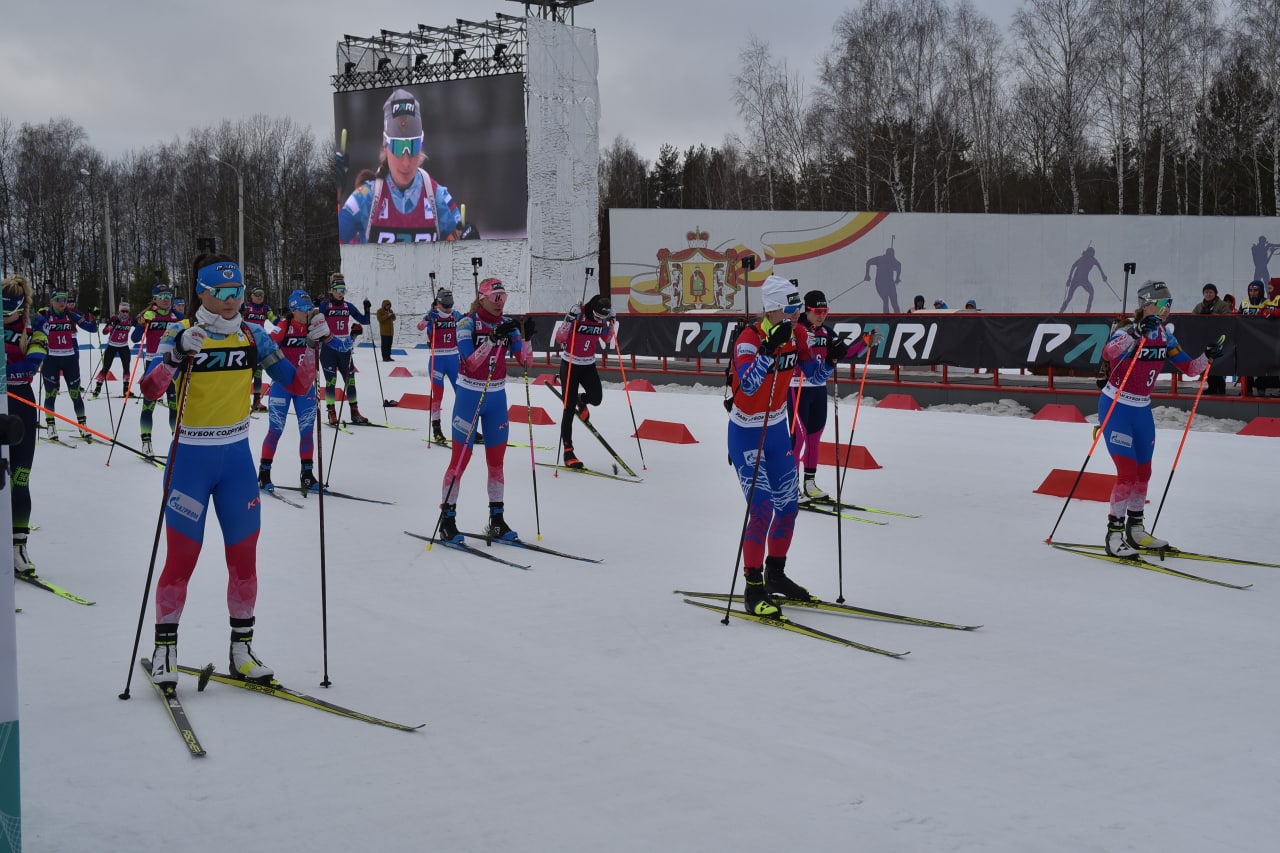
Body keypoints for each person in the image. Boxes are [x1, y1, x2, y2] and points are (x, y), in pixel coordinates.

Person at [144, 252, 329, 690]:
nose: (231, 300)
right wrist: (173, 356)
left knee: (244, 561)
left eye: (238, 291)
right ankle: (165, 649)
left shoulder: (252, 336)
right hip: (190, 458)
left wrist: (311, 347)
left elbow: (297, 384)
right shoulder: (181, 331)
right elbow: (149, 389)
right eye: (221, 292)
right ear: (201, 293)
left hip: (236, 461)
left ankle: (241, 650)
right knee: (182, 559)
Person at [726, 276, 834, 618]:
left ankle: (775, 574)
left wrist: (838, 357)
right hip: (746, 434)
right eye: (789, 309)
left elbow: (815, 376)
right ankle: (753, 587)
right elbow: (748, 383)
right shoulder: (748, 339)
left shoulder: (799, 334)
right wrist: (768, 350)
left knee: (788, 507)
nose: (795, 315)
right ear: (771, 309)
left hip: (776, 429)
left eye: (797, 309)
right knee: (761, 509)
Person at [1099, 281, 1224, 557]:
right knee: (1127, 473)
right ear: (1147, 305)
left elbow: (1190, 368)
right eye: (1163, 304)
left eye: (1170, 303)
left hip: (1142, 409)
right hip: (1116, 406)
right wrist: (1135, 333)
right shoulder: (1126, 329)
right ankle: (1114, 534)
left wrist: (1208, 357)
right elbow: (1109, 353)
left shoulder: (1165, 335)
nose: (1168, 309)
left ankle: (1136, 529)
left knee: (1144, 473)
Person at [435, 278, 533, 544]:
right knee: (459, 462)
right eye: (496, 298)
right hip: (470, 395)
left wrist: (526, 338)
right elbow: (470, 362)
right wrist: (491, 341)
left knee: (497, 463)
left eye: (504, 298)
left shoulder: (506, 324)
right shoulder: (466, 323)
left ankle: (497, 521)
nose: (501, 303)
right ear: (483, 297)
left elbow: (525, 363)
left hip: (497, 398)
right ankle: (448, 521)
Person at [338, 88, 473, 244]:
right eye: (397, 146)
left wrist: (471, 242)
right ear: (386, 146)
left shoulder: (438, 198)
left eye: (413, 146)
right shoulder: (365, 199)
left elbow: (462, 256)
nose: (406, 162)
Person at [788, 290, 879, 501]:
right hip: (797, 387)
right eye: (817, 311)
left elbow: (845, 353)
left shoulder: (827, 333)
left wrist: (865, 342)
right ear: (807, 310)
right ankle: (791, 488)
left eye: (825, 311)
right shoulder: (797, 329)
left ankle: (809, 484)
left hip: (818, 388)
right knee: (798, 439)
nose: (821, 315)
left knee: (814, 438)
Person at [3, 275, 48, 575]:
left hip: (20, 407)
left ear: (20, 309)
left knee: (19, 478)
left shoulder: (35, 329)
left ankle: (18, 547)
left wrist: (6, 372)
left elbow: (30, 367)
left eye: (8, 314)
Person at [259, 290, 323, 493]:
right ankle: (264, 474)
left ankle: (307, 475)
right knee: (275, 430)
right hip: (283, 386)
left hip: (305, 387)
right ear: (294, 310)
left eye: (310, 308)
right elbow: (267, 348)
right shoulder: (284, 327)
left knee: (307, 431)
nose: (307, 313)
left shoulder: (314, 328)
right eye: (303, 309)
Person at [553, 294, 615, 469]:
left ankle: (582, 400)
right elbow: (560, 338)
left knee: (596, 398)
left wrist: (612, 323)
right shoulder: (579, 314)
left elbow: (607, 339)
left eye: (602, 318)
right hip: (570, 363)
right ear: (591, 309)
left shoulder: (603, 319)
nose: (598, 320)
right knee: (568, 407)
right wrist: (569, 319)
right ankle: (568, 451)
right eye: (597, 316)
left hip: (588, 364)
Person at [32, 288, 96, 441]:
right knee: (51, 393)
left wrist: (94, 316)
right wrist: (36, 318)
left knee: (75, 394)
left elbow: (92, 328)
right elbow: (32, 329)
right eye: (58, 300)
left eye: (64, 300)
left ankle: (82, 426)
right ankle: (51, 426)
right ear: (52, 301)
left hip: (69, 359)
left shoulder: (71, 315)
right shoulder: (46, 316)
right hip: (50, 359)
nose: (62, 303)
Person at [131, 283, 183, 456]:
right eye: (162, 297)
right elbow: (135, 338)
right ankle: (146, 443)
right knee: (148, 406)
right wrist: (141, 321)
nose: (166, 300)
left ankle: (177, 443)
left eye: (169, 296)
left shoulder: (178, 316)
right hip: (153, 363)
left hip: (174, 364)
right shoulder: (149, 315)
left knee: (174, 406)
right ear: (154, 299)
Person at [316, 273, 372, 425]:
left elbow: (365, 321)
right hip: (328, 349)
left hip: (344, 350)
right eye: (339, 290)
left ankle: (355, 412)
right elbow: (316, 322)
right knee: (331, 382)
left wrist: (367, 309)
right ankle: (331, 412)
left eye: (343, 290)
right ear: (332, 290)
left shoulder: (348, 306)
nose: (341, 293)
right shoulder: (326, 305)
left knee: (350, 381)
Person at [418, 287, 462, 445]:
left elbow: (469, 327)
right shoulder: (433, 314)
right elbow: (420, 326)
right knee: (437, 396)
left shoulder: (455, 315)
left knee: (462, 394)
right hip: (437, 358)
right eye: (446, 305)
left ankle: (466, 428)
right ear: (439, 303)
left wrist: (462, 319)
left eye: (451, 305)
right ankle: (436, 429)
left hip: (453, 358)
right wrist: (428, 317)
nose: (449, 308)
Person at [1191, 283, 1232, 395]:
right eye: (1206, 292)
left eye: (1211, 292)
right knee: (1207, 362)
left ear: (1215, 293)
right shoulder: (1199, 306)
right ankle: (1212, 386)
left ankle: (1221, 386)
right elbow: (1192, 318)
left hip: (1219, 338)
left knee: (1218, 362)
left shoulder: (1222, 305)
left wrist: (1212, 316)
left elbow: (1228, 318)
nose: (1208, 294)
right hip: (1204, 338)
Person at [241, 285, 276, 412]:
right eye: (257, 294)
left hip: (258, 345)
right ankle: (241, 400)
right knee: (245, 373)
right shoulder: (246, 306)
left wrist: (284, 328)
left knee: (258, 373)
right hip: (246, 344)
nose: (260, 297)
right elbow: (238, 319)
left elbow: (275, 320)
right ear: (251, 296)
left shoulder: (265, 308)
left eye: (262, 295)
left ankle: (256, 401)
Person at [92, 301, 134, 399]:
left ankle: (126, 390)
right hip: (112, 345)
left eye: (127, 311)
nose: (125, 313)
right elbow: (104, 332)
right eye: (123, 311)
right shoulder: (115, 318)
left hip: (124, 346)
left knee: (126, 367)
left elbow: (141, 325)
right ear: (120, 311)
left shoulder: (131, 320)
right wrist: (112, 325)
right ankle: (97, 389)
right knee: (106, 367)